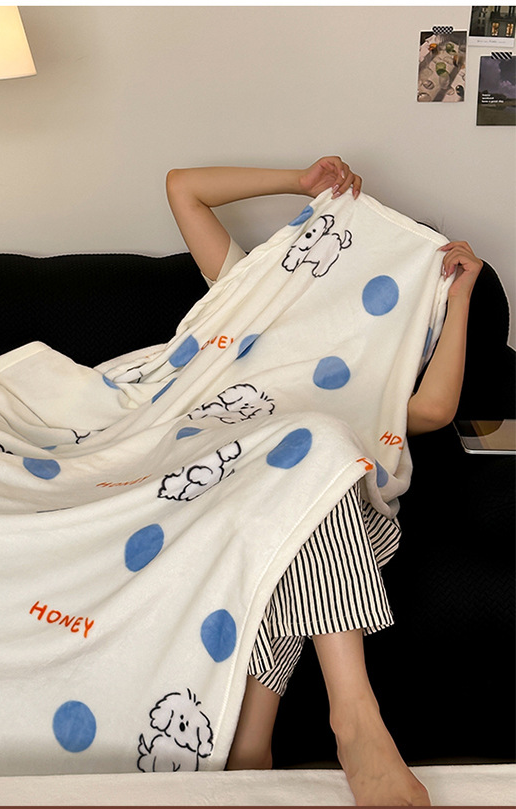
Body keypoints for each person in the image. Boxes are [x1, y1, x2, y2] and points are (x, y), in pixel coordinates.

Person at [166, 156, 484, 806]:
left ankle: (252, 747)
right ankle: (352, 720)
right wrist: (299, 181)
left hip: (294, 490)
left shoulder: (370, 382)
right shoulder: (251, 297)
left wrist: (460, 297)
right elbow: (182, 187)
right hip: (197, 455)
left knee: (314, 472)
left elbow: (432, 410)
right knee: (318, 456)